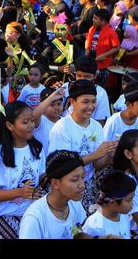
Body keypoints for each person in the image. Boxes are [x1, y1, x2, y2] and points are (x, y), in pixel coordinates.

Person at [49, 79, 118, 213]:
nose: (91, 106)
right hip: (66, 188)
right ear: (73, 102)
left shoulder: (96, 126)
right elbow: (60, 167)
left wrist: (109, 153)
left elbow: (97, 165)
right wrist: (95, 155)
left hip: (87, 186)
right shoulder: (62, 128)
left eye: (93, 101)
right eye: (85, 102)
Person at [0, 101, 45, 239]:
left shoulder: (37, 149)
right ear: (10, 125)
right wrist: (19, 192)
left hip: (29, 214)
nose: (31, 125)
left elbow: (40, 176)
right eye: (25, 122)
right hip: (3, 217)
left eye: (32, 121)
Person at [19, 150, 118, 239]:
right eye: (75, 179)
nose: (82, 185)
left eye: (83, 177)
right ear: (55, 183)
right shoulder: (34, 218)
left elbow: (76, 234)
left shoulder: (74, 203)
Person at [82, 170, 136, 239]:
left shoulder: (123, 215)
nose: (132, 204)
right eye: (129, 200)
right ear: (113, 200)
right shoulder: (93, 225)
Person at [84, 9, 120, 88]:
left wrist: (104, 55)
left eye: (95, 18)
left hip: (103, 65)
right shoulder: (92, 29)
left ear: (103, 21)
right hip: (92, 62)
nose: (93, 20)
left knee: (101, 87)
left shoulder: (111, 32)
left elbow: (117, 48)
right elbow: (88, 43)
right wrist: (85, 56)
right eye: (93, 17)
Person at [33, 87, 65, 155]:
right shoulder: (40, 121)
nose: (56, 107)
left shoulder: (65, 121)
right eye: (52, 105)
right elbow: (34, 116)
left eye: (59, 104)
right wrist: (52, 97)